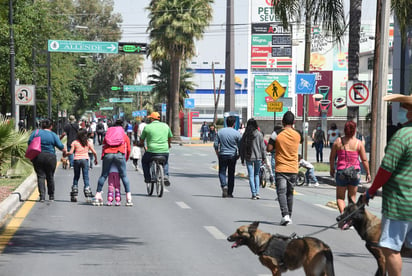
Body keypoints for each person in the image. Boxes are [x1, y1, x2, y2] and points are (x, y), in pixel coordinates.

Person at [363, 94, 412, 276]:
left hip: (400, 202)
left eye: (407, 109)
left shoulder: (402, 136)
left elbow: (386, 169)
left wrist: (371, 191)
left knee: (391, 248)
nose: (405, 112)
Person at [330, 120, 371, 221]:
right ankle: (349, 218)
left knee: (340, 198)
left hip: (341, 172)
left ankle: (344, 215)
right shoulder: (358, 143)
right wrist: (368, 173)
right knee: (352, 197)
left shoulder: (338, 141)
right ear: (354, 130)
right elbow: (364, 159)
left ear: (344, 130)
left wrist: (332, 168)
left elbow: (332, 158)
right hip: (355, 172)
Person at [266, 111, 302, 226]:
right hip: (293, 168)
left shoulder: (276, 133)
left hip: (281, 167)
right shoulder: (298, 134)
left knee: (281, 192)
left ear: (282, 121)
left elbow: (269, 148)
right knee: (290, 193)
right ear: (294, 122)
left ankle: (285, 214)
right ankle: (289, 216)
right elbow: (301, 141)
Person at [93, 119, 133, 206]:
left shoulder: (109, 133)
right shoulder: (123, 134)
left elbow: (104, 145)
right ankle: (128, 198)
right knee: (124, 176)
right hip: (119, 154)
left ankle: (97, 195)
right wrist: (125, 158)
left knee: (104, 175)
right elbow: (129, 148)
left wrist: (103, 156)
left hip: (108, 154)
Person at [28, 118, 67, 202]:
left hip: (38, 156)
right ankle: (51, 196)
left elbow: (29, 142)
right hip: (50, 157)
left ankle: (42, 196)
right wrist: (65, 152)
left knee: (41, 176)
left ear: (42, 125)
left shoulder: (36, 132)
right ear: (51, 126)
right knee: (50, 176)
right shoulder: (53, 135)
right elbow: (60, 146)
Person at [140, 112, 173, 186]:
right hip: (164, 150)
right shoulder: (166, 126)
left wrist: (141, 144)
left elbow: (142, 139)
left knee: (144, 161)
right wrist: (169, 144)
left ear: (151, 119)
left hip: (151, 151)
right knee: (165, 162)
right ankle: (165, 176)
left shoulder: (147, 127)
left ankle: (148, 178)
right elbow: (170, 137)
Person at [65, 129, 98, 202]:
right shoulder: (87, 142)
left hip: (76, 160)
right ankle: (87, 190)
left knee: (76, 176)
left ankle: (74, 192)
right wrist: (96, 159)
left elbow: (70, 153)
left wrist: (65, 154)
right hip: (85, 160)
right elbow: (94, 152)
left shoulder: (75, 142)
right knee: (85, 177)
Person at [213, 115, 242, 198]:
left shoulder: (220, 132)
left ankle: (224, 185)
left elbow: (215, 144)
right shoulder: (237, 133)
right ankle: (230, 192)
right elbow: (240, 146)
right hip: (233, 155)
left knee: (222, 172)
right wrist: (239, 155)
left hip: (222, 154)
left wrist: (217, 153)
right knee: (231, 174)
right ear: (234, 123)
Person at [239, 118, 266, 199]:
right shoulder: (259, 134)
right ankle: (257, 193)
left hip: (248, 157)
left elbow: (242, 147)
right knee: (256, 175)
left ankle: (253, 193)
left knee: (251, 176)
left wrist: (242, 158)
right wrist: (264, 157)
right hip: (258, 157)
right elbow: (263, 147)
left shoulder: (245, 135)